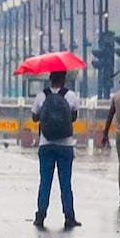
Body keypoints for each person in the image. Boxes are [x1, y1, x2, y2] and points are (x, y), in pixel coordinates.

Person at [31, 70, 80, 228]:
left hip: (46, 144)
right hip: (65, 145)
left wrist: (45, 115)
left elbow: (34, 117)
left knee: (45, 181)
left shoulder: (42, 95)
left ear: (50, 79)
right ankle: (69, 216)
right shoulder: (70, 95)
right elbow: (73, 117)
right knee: (66, 182)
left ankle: (40, 216)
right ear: (64, 79)